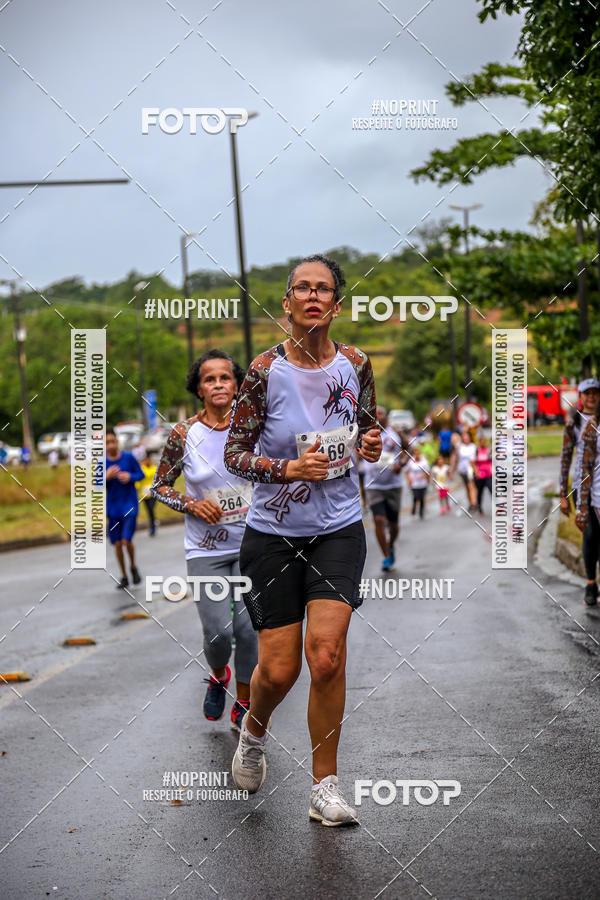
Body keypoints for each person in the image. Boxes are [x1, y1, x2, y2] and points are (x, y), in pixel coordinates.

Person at [223, 253, 381, 826]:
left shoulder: (357, 363)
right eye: (301, 289)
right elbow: (234, 453)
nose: (313, 297)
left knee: (327, 654)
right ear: (286, 302)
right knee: (278, 672)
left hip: (338, 526)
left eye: (324, 290)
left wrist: (370, 444)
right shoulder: (265, 371)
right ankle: (255, 729)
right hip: (272, 534)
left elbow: (367, 426)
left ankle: (325, 787)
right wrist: (287, 469)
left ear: (336, 305)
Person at [152, 350, 258, 731]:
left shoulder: (252, 428)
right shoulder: (183, 434)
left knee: (248, 630)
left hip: (251, 545)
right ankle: (218, 676)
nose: (218, 385)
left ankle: (244, 702)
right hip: (205, 551)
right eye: (209, 379)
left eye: (225, 378)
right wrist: (192, 504)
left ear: (236, 384)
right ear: (199, 388)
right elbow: (159, 487)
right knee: (218, 633)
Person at [562, 378, 600, 605]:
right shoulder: (575, 424)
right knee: (590, 535)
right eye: (587, 393)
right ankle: (590, 582)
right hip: (582, 488)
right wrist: (562, 493)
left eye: (596, 393)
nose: (592, 397)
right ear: (581, 396)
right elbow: (565, 460)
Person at [363, 406, 406, 569]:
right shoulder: (363, 433)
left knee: (394, 525)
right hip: (373, 485)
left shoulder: (396, 434)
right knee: (379, 520)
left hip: (393, 485)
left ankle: (391, 544)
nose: (378, 416)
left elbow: (407, 451)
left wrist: (400, 465)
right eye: (375, 414)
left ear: (386, 417)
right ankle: (386, 555)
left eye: (381, 413)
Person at [105, 427, 144, 589]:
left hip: (129, 506)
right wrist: (106, 477)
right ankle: (124, 575)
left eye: (112, 441)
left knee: (126, 540)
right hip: (113, 508)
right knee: (118, 544)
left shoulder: (128, 457)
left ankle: (133, 566)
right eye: (107, 443)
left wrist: (130, 477)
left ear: (117, 441)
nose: (111, 445)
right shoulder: (102, 463)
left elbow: (140, 474)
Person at [452, 430, 477, 512]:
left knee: (471, 485)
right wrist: (452, 469)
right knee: (467, 487)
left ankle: (474, 503)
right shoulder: (460, 447)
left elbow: (474, 459)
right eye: (464, 438)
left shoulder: (473, 446)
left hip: (470, 469)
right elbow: (455, 457)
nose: (466, 439)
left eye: (467, 437)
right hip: (462, 469)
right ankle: (470, 503)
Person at [405, 445, 430, 518]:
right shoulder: (411, 461)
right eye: (415, 453)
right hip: (414, 483)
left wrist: (426, 477)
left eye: (418, 452)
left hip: (422, 483)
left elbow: (427, 471)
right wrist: (409, 479)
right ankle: (414, 508)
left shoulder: (424, 461)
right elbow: (406, 471)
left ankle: (421, 512)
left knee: (422, 497)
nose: (417, 454)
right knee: (416, 496)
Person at [138, 454, 158, 536]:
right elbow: (138, 481)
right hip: (144, 494)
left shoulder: (155, 468)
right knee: (149, 511)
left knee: (151, 508)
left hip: (153, 493)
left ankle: (153, 526)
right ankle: (153, 524)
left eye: (149, 460)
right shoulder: (142, 470)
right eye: (146, 460)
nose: (147, 461)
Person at [473, 435, 492, 514]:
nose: (483, 443)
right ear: (480, 442)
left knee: (492, 490)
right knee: (480, 492)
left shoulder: (489, 450)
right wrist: (476, 472)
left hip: (489, 474)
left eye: (485, 441)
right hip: (480, 474)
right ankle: (479, 507)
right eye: (482, 441)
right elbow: (473, 463)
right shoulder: (477, 451)